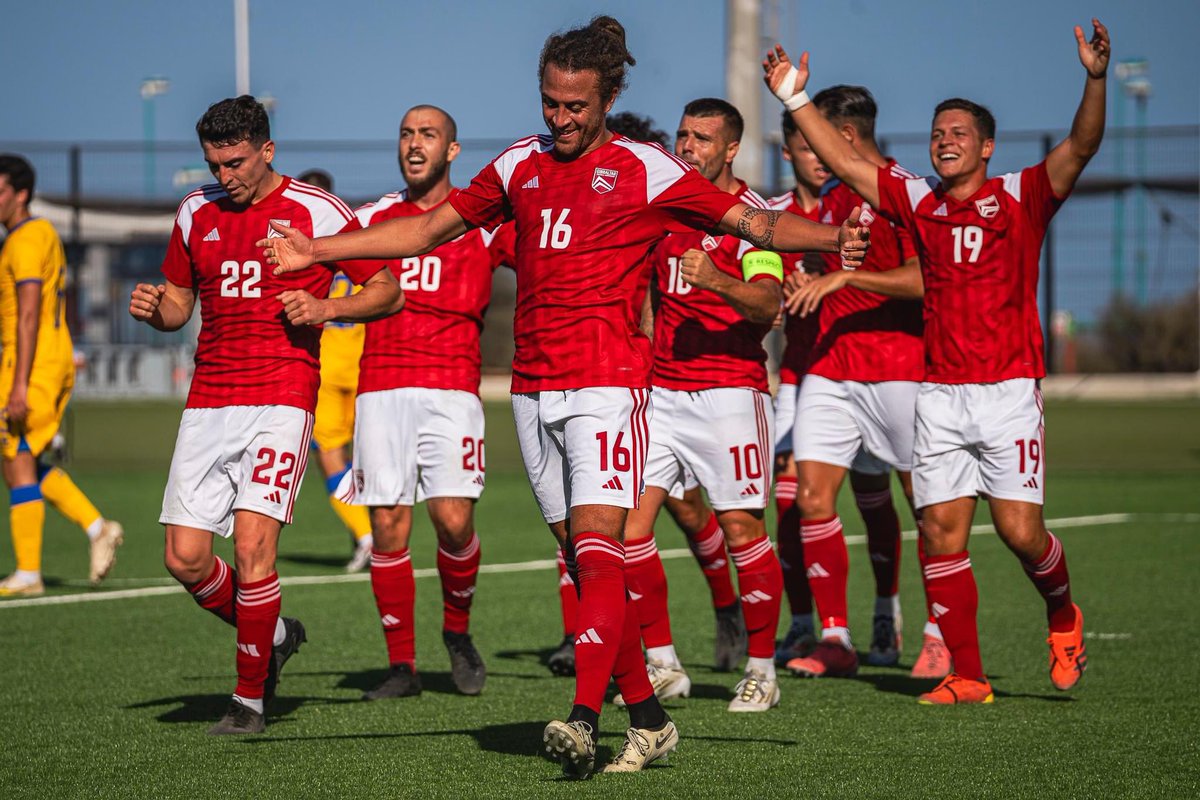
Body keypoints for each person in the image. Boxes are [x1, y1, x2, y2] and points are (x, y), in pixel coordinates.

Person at [260, 16, 867, 776]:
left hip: (609, 385)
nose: (561, 118)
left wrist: (827, 242)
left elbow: (755, 221)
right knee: (582, 563)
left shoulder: (647, 167)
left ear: (608, 96)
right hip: (533, 391)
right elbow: (422, 233)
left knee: (598, 550)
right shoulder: (519, 164)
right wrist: (316, 250)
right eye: (551, 102)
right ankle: (647, 716)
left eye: (575, 105)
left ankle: (585, 718)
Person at [765, 18, 1109, 703]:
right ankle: (970, 675)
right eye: (937, 132)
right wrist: (795, 100)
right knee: (940, 532)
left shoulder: (1023, 197)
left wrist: (1095, 79)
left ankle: (1062, 612)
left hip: (1008, 393)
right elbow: (850, 162)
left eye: (958, 133)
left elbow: (1082, 145)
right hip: (939, 396)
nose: (944, 140)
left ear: (986, 146)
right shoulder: (917, 199)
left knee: (1020, 533)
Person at [128, 96, 403, 734]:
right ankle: (275, 633)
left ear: (267, 150)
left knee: (254, 548)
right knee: (184, 558)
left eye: (237, 162)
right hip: (208, 402)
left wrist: (328, 310)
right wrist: (155, 308)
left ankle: (248, 700)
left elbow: (388, 289)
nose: (226, 176)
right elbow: (177, 307)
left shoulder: (315, 211)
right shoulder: (195, 212)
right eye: (214, 164)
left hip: (281, 397)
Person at [545, 111, 746, 678]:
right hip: (602, 379)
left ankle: (725, 605)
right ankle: (648, 654)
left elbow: (657, 298)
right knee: (610, 521)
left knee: (686, 510)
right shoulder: (572, 202)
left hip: (663, 382)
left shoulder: (655, 201)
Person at [615, 97, 785, 713]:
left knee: (742, 530)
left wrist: (715, 279)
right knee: (629, 530)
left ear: (732, 148)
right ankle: (663, 663)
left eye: (703, 139)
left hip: (730, 394)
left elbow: (769, 305)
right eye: (683, 136)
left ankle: (762, 670)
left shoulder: (756, 218)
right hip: (662, 394)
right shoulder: (667, 211)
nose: (688, 148)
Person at [341, 104, 514, 700]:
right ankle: (402, 667)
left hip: (453, 389)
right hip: (381, 387)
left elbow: (552, 261)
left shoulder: (483, 222)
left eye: (428, 135)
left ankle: (458, 632)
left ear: (452, 150)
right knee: (388, 525)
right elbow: (317, 263)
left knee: (453, 520)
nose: (415, 144)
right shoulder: (371, 220)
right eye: (407, 134)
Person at [772, 85, 931, 680]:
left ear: (842, 139)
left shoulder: (908, 192)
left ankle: (924, 624)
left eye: (814, 136)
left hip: (898, 368)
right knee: (809, 498)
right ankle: (833, 636)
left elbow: (924, 278)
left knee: (927, 507)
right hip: (827, 370)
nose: (808, 153)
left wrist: (849, 281)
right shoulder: (830, 200)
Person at [0, 154, 124, 597]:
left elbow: (28, 314)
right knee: (24, 463)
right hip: (44, 362)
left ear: (21, 194)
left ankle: (29, 573)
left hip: (30, 366)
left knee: (16, 461)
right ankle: (97, 528)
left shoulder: (26, 240)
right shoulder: (34, 236)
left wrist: (17, 383)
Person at [295, 169, 375, 572]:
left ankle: (366, 536)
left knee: (331, 459)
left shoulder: (300, 252)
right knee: (370, 462)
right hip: (365, 369)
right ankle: (376, 536)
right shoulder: (360, 240)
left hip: (326, 370)